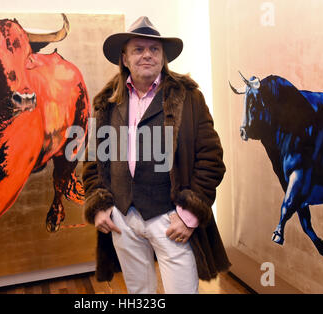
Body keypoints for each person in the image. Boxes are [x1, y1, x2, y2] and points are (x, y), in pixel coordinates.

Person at [82, 16, 230, 294]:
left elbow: (211, 159)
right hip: (123, 219)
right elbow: (93, 161)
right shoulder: (106, 103)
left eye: (154, 49)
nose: (147, 55)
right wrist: (99, 204)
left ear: (163, 58)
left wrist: (189, 214)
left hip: (171, 218)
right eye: (138, 49)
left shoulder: (189, 97)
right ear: (124, 58)